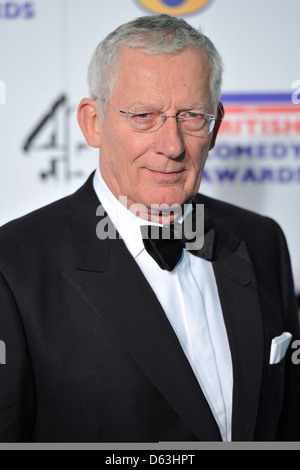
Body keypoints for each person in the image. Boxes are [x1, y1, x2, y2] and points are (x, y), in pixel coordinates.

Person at [0, 14, 299, 443]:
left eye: (192, 116)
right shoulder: (14, 269)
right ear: (93, 122)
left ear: (215, 126)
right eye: (144, 115)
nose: (172, 145)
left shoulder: (261, 240)